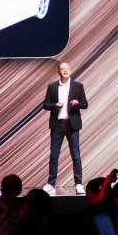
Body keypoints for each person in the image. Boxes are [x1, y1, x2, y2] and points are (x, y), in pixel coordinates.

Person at [41, 60, 87, 193]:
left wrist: (77, 103)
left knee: (76, 156)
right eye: (62, 69)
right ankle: (51, 184)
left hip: (72, 126)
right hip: (57, 125)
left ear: (70, 71)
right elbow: (45, 105)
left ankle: (78, 184)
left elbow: (85, 104)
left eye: (67, 68)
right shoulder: (52, 87)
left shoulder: (78, 86)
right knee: (54, 156)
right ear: (58, 71)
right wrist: (54, 105)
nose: (65, 70)